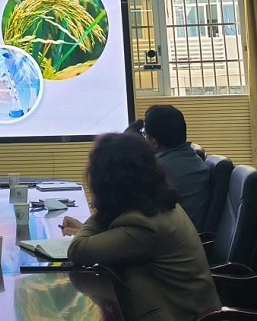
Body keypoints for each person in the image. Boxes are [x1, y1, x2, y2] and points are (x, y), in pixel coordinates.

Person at [62, 133, 220, 321]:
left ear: (107, 184)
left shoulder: (143, 226)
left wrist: (102, 209)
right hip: (179, 307)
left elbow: (77, 249)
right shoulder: (157, 203)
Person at [142, 104, 209, 230]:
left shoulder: (157, 169)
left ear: (155, 142)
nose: (143, 139)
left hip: (168, 236)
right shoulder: (192, 158)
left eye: (144, 134)